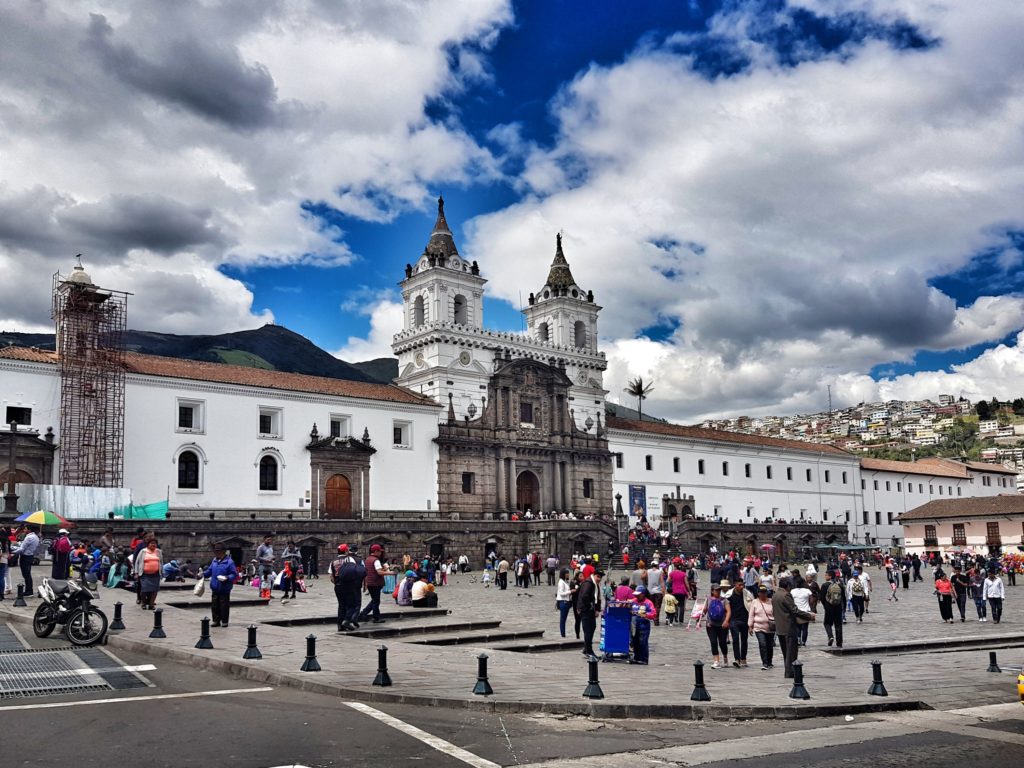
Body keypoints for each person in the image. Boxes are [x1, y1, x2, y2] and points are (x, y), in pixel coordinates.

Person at [772, 576, 816, 679]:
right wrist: (809, 616)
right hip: (788, 627)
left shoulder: (775, 595)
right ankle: (790, 672)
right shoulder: (786, 595)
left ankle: (789, 670)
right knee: (791, 651)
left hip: (779, 627)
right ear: (787, 586)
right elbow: (794, 610)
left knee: (785, 651)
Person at [330, 544, 366, 631]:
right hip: (349, 585)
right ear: (346, 551)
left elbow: (331, 577)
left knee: (341, 606)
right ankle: (346, 621)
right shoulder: (349, 559)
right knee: (351, 605)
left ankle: (340, 625)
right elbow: (354, 571)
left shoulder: (333, 561)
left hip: (338, 586)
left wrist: (337, 582)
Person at [203, 544, 238, 628]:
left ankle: (224, 621)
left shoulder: (229, 562)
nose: (216, 553)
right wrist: (203, 574)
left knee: (224, 605)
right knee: (214, 605)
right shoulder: (214, 561)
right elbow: (209, 571)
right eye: (215, 551)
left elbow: (234, 574)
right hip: (215, 586)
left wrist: (227, 577)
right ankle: (216, 620)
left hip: (224, 587)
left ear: (223, 551)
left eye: (218, 551)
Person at [357, 544, 392, 624]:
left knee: (374, 600)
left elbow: (371, 570)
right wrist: (391, 573)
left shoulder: (367, 559)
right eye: (380, 551)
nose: (380, 553)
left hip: (370, 582)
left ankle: (364, 614)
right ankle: (375, 617)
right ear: (376, 551)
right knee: (376, 601)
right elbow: (379, 572)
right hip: (376, 583)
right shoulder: (376, 560)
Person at [704, 582, 731, 669]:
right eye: (716, 590)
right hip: (711, 625)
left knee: (722, 643)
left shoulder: (724, 600)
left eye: (719, 590)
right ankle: (716, 661)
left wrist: (726, 621)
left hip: (722, 625)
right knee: (713, 642)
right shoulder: (708, 599)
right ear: (712, 591)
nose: (718, 592)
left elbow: (729, 611)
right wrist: (699, 615)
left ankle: (725, 657)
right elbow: (704, 610)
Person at [748, 585, 776, 670]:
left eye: (764, 592)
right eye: (761, 592)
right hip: (758, 627)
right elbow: (751, 614)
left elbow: (775, 613)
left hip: (770, 627)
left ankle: (769, 661)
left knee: (769, 645)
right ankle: (765, 663)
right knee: (762, 644)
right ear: (758, 593)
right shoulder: (755, 602)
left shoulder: (771, 601)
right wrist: (750, 626)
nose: (763, 594)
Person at [577, 566, 603, 657]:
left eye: (600, 577)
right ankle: (589, 650)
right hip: (586, 610)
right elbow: (584, 596)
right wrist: (590, 606)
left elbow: (597, 598)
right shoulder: (588, 583)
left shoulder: (595, 584)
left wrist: (597, 609)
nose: (599, 579)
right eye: (598, 577)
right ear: (594, 575)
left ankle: (586, 648)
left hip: (590, 610)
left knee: (592, 628)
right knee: (588, 630)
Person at [726, 577, 751, 668]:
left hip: (745, 620)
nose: (741, 586)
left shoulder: (747, 593)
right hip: (733, 620)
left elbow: (751, 607)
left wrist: (751, 623)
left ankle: (743, 658)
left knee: (744, 640)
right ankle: (737, 659)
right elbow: (726, 609)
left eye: (742, 585)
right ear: (735, 585)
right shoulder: (729, 595)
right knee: (735, 639)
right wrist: (726, 621)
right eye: (739, 585)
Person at [133, 537, 163, 609]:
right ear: (148, 544)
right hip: (144, 574)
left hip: (156, 574)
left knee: (154, 590)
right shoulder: (143, 551)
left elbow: (161, 562)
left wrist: (162, 571)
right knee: (144, 589)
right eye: (151, 543)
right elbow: (137, 562)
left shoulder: (158, 551)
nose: (153, 545)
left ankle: (151, 604)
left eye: (155, 543)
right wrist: (136, 573)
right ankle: (143, 602)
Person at [630, 586, 655, 664]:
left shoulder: (648, 603)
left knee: (643, 642)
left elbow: (653, 613)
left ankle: (644, 659)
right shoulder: (633, 601)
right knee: (635, 642)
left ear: (643, 594)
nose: (636, 596)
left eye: (639, 594)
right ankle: (636, 658)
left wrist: (646, 615)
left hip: (644, 626)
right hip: (634, 625)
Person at [821, 570, 845, 648]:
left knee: (827, 623)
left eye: (826, 575)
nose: (825, 576)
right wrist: (843, 608)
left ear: (830, 576)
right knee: (838, 625)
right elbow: (843, 598)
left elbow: (822, 598)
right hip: (838, 607)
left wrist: (826, 606)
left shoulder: (825, 585)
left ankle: (830, 636)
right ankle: (839, 642)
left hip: (829, 608)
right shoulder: (840, 585)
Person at [789, 577, 815, 647]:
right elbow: (811, 601)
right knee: (805, 628)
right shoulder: (807, 591)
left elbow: (790, 601)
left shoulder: (792, 591)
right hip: (806, 611)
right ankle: (803, 642)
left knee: (797, 627)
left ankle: (798, 639)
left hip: (796, 611)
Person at [645, 561, 665, 626]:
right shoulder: (660, 572)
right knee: (657, 606)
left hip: (650, 591)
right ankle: (656, 620)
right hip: (658, 591)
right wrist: (663, 591)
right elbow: (662, 582)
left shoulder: (648, 571)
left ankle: (651, 618)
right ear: (657, 565)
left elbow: (644, 578)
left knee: (651, 606)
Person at [556, 568, 573, 637]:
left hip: (566, 602)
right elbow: (561, 593)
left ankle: (563, 633)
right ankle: (563, 634)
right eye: (567, 573)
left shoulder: (564, 581)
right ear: (564, 574)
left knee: (564, 619)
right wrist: (570, 591)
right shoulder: (561, 582)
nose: (568, 575)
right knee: (563, 619)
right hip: (563, 602)